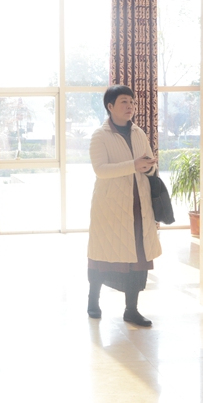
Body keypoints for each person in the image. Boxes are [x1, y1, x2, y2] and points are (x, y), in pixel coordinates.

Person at [86, 85, 161, 327]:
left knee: (137, 258)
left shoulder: (139, 133)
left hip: (139, 203)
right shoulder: (100, 135)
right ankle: (93, 300)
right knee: (102, 255)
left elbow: (148, 163)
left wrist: (149, 166)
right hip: (110, 206)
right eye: (124, 102)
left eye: (132, 102)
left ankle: (131, 310)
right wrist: (133, 165)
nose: (130, 106)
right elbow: (100, 170)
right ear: (110, 106)